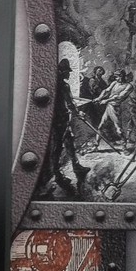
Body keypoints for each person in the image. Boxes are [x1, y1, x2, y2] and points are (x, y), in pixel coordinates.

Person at [49, 58, 91, 193]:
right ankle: (57, 175)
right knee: (58, 146)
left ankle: (76, 166)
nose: (69, 74)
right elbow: (70, 103)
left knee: (68, 142)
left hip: (57, 118)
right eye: (67, 72)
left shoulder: (52, 84)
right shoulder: (63, 86)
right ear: (62, 72)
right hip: (60, 119)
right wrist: (78, 113)